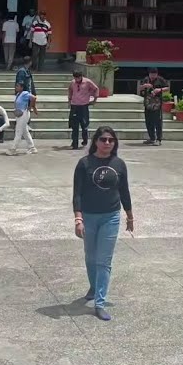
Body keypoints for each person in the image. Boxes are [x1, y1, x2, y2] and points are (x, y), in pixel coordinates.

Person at [73, 126, 133, 321]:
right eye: (103, 139)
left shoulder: (119, 164)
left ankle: (99, 302)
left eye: (111, 140)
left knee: (103, 261)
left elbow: (124, 191)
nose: (107, 143)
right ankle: (93, 286)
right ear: (95, 141)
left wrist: (130, 216)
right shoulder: (84, 164)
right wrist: (78, 218)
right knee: (90, 257)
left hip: (111, 217)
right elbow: (77, 194)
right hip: (89, 216)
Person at [67, 70, 99, 150]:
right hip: (74, 106)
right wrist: (69, 101)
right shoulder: (73, 82)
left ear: (81, 76)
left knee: (84, 124)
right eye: (75, 78)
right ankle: (75, 143)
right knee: (74, 126)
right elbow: (70, 90)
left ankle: (85, 139)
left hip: (83, 106)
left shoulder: (87, 82)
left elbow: (96, 89)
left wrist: (94, 99)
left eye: (78, 77)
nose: (77, 79)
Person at [137, 68, 170, 146]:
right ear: (149, 74)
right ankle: (152, 138)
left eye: (154, 74)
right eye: (151, 74)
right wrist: (145, 85)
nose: (152, 76)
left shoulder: (160, 79)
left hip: (157, 105)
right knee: (148, 122)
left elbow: (167, 88)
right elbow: (140, 88)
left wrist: (159, 89)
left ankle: (159, 139)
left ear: (157, 74)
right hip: (148, 104)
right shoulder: (146, 79)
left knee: (158, 122)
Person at [7, 88, 38, 155]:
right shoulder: (18, 94)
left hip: (24, 113)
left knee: (18, 131)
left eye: (18, 86)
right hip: (19, 114)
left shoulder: (25, 93)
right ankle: (32, 147)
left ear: (21, 87)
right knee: (25, 131)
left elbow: (34, 98)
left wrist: (31, 106)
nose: (16, 87)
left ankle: (13, 148)